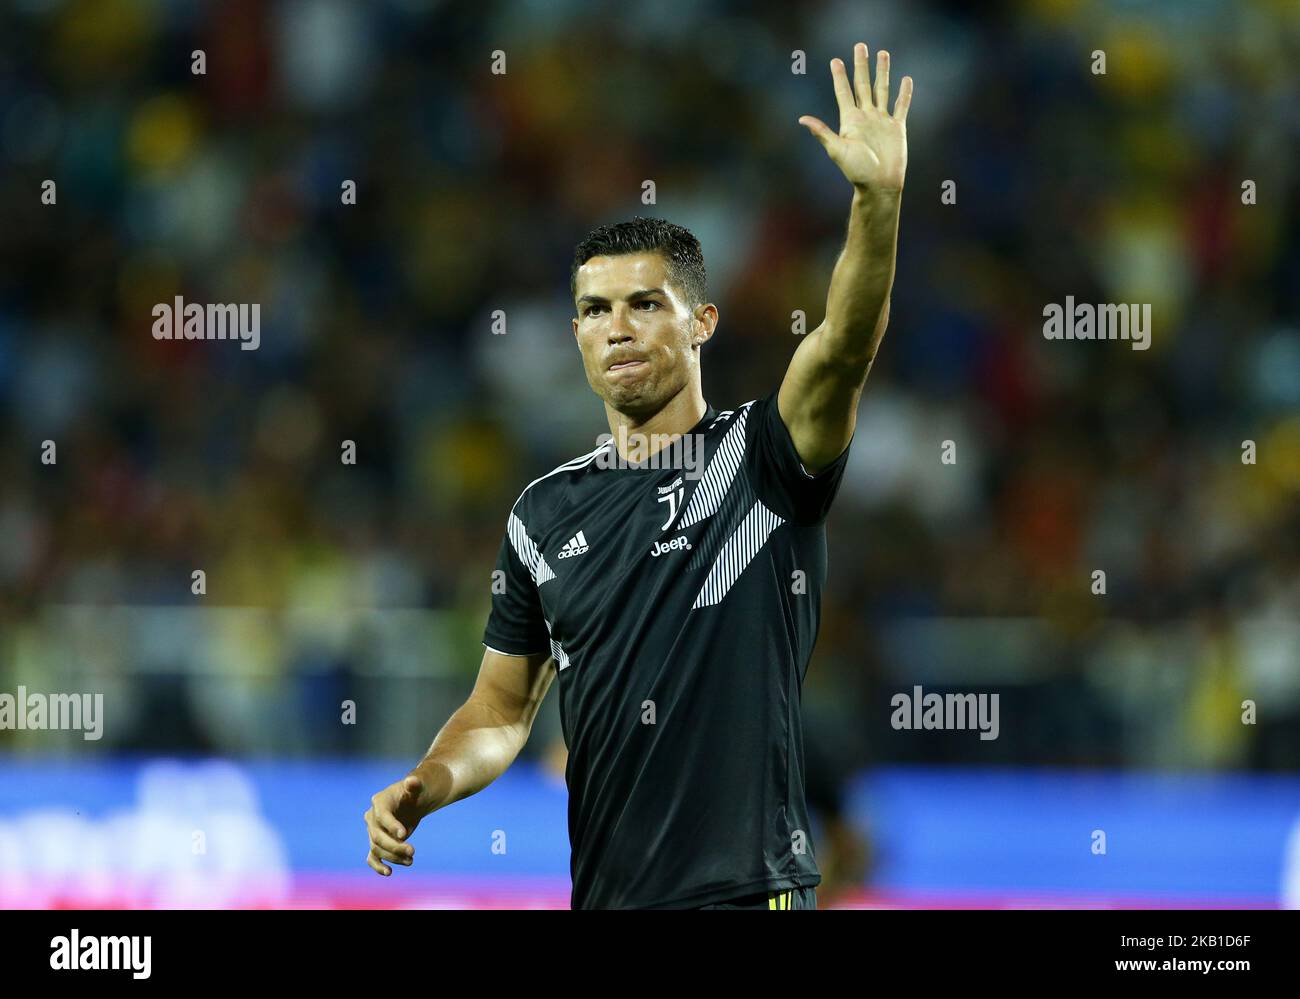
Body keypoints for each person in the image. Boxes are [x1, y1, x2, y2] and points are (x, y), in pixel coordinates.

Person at [364, 41, 911, 909]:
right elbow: (501, 712)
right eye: (594, 310)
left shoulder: (766, 458)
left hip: (749, 894)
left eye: (645, 304)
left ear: (703, 321)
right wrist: (427, 781)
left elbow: (844, 342)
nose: (616, 327)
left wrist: (875, 204)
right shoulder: (542, 514)